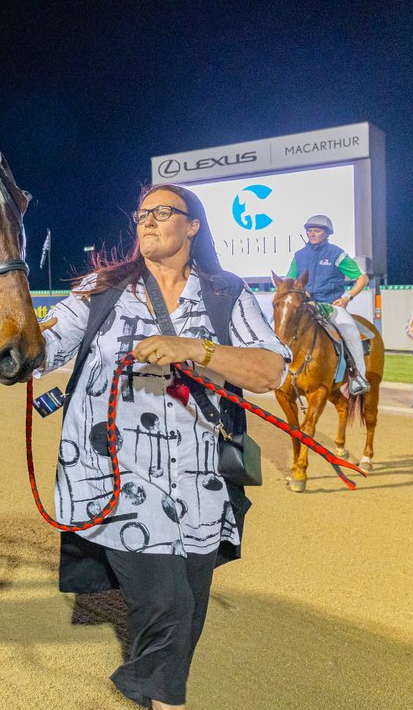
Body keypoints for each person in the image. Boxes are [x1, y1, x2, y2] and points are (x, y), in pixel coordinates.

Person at [38, 185, 289, 710]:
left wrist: (194, 348)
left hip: (202, 487)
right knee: (170, 606)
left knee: (189, 612)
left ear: (193, 225)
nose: (147, 221)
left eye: (162, 212)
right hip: (116, 480)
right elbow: (36, 349)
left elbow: (269, 370)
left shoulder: (226, 293)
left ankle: (148, 688)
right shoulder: (101, 288)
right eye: (142, 214)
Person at [285, 215, 371, 394]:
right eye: (309, 231)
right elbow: (290, 281)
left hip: (331, 306)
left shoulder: (337, 254)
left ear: (327, 233)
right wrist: (299, 292)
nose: (312, 234)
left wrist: (348, 297)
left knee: (351, 332)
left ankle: (358, 378)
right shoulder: (299, 256)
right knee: (276, 325)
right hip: (305, 305)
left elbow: (362, 279)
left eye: (316, 230)